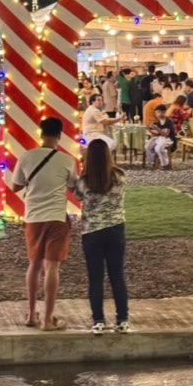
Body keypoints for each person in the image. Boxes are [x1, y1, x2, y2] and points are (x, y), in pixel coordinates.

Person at [12, 117, 78, 331]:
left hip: (33, 217)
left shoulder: (27, 157)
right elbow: (74, 188)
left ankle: (32, 315)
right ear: (59, 135)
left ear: (40, 134)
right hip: (57, 217)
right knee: (52, 267)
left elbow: (15, 186)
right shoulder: (67, 161)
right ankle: (48, 320)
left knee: (34, 264)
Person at [74, 139, 129, 334]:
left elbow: (78, 196)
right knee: (117, 275)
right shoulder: (120, 176)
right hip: (116, 228)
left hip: (92, 231)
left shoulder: (84, 181)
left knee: (95, 277)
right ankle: (122, 319)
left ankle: (98, 320)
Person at [144, 105, 176, 170]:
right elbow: (156, 134)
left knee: (158, 148)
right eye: (156, 112)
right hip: (159, 138)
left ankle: (165, 164)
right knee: (147, 146)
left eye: (159, 112)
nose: (157, 114)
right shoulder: (158, 122)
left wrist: (157, 129)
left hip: (168, 139)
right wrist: (150, 129)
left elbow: (166, 134)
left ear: (164, 112)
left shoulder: (168, 121)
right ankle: (152, 161)